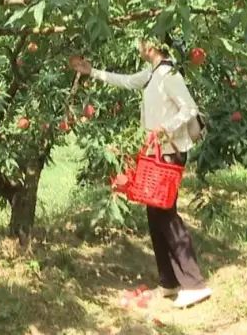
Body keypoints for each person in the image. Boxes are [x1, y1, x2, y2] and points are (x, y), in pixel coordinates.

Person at [71, 40, 212, 309]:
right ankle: (169, 280)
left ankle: (195, 284)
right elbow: (127, 81)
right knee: (155, 214)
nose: (138, 46)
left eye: (141, 42)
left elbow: (189, 108)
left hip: (169, 152)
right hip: (156, 152)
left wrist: (165, 128)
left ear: (152, 46)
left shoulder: (170, 75)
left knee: (166, 214)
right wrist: (93, 72)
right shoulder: (152, 75)